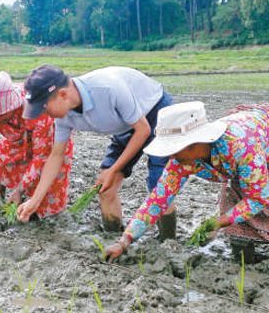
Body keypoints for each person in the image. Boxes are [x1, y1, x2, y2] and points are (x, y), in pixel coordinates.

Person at [17, 65, 175, 233]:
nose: (44, 115)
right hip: (125, 126)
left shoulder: (108, 89)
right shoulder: (63, 116)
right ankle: (114, 239)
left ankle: (168, 241)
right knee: (106, 190)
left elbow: (143, 130)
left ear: (62, 94)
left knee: (158, 185)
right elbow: (56, 156)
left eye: (44, 108)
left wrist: (114, 169)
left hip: (157, 113)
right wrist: (34, 201)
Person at [105, 101, 269, 262]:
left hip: (260, 140)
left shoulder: (241, 147)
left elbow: (258, 197)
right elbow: (157, 201)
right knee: (232, 201)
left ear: (195, 142)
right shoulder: (180, 161)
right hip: (245, 157)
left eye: (173, 149)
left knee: (252, 197)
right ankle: (244, 261)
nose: (171, 157)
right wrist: (124, 241)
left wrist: (219, 222)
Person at [0, 71, 73, 219]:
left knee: (48, 193)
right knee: (7, 163)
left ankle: (42, 210)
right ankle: (3, 196)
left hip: (49, 143)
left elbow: (42, 156)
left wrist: (20, 190)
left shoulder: (36, 107)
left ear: (13, 107)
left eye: (0, 115)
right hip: (16, 140)